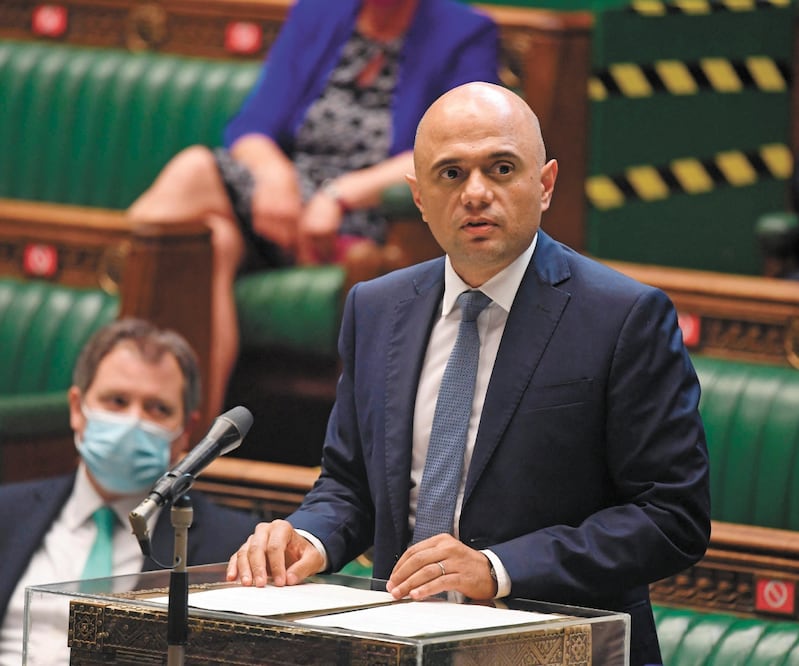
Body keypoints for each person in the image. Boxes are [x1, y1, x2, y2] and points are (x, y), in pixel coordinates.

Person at [226, 82, 711, 666]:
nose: (475, 193)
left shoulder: (623, 317)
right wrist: (306, 538)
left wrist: (498, 569)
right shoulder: (376, 308)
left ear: (546, 183)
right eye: (450, 174)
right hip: (402, 643)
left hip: (556, 648)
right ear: (419, 197)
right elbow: (351, 485)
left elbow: (671, 516)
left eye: (501, 168)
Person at [127, 0, 500, 419]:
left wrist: (338, 195)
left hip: (374, 216)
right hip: (283, 207)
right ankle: (186, 446)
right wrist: (272, 177)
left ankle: (114, 320)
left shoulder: (464, 32)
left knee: (194, 172)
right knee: (211, 242)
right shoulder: (319, 13)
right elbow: (253, 126)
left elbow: (460, 147)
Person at [0, 318, 260, 664]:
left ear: (186, 431)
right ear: (78, 409)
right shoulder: (7, 511)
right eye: (117, 401)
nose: (134, 421)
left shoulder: (229, 548)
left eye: (158, 409)